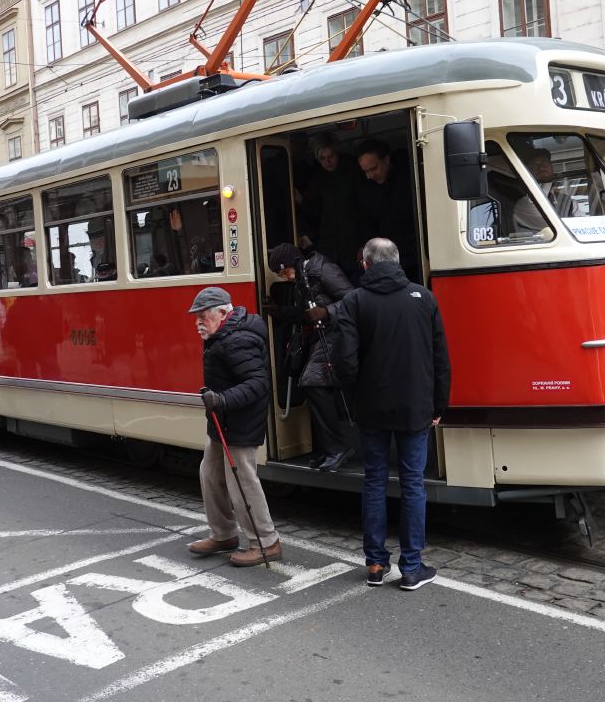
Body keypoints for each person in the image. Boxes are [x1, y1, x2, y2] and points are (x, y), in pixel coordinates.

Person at [336, 237, 450, 591]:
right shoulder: (423, 297)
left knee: (374, 481)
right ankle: (412, 568)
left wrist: (355, 398)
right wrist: (438, 405)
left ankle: (374, 564)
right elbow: (440, 358)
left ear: (365, 264)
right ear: (397, 262)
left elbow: (345, 362)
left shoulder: (353, 302)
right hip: (416, 405)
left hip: (372, 407)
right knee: (413, 483)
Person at [188, 286, 282, 567]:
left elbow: (258, 383)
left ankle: (266, 542)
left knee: (242, 481)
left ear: (222, 312)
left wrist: (222, 399)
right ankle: (224, 534)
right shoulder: (224, 334)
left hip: (239, 420)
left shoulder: (237, 339)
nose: (197, 323)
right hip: (223, 418)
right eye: (196, 317)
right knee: (210, 473)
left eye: (202, 316)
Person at [267, 242, 354, 471]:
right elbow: (306, 315)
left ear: (291, 263)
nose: (284, 277)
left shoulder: (322, 269)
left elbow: (353, 299)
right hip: (324, 334)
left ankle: (337, 447)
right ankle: (328, 448)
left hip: (337, 333)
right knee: (312, 384)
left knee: (312, 382)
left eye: (283, 271)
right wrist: (282, 313)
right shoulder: (303, 276)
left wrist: (326, 312)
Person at [299, 135, 364, 277]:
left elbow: (365, 210)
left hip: (354, 245)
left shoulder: (354, 173)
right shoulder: (317, 180)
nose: (327, 162)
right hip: (328, 249)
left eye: (331, 156)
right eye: (322, 158)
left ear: (337, 153)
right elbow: (310, 212)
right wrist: (310, 237)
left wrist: (364, 243)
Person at [356, 138, 420, 280]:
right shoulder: (367, 189)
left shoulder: (411, 177)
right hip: (388, 257)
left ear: (386, 160)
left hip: (417, 252)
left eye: (374, 168)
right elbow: (367, 222)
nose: (370, 175)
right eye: (366, 171)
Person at [512, 148, 576, 231]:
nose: (541, 167)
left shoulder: (569, 202)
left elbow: (583, 224)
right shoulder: (524, 203)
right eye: (535, 165)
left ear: (552, 168)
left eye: (545, 162)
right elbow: (551, 228)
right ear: (528, 171)